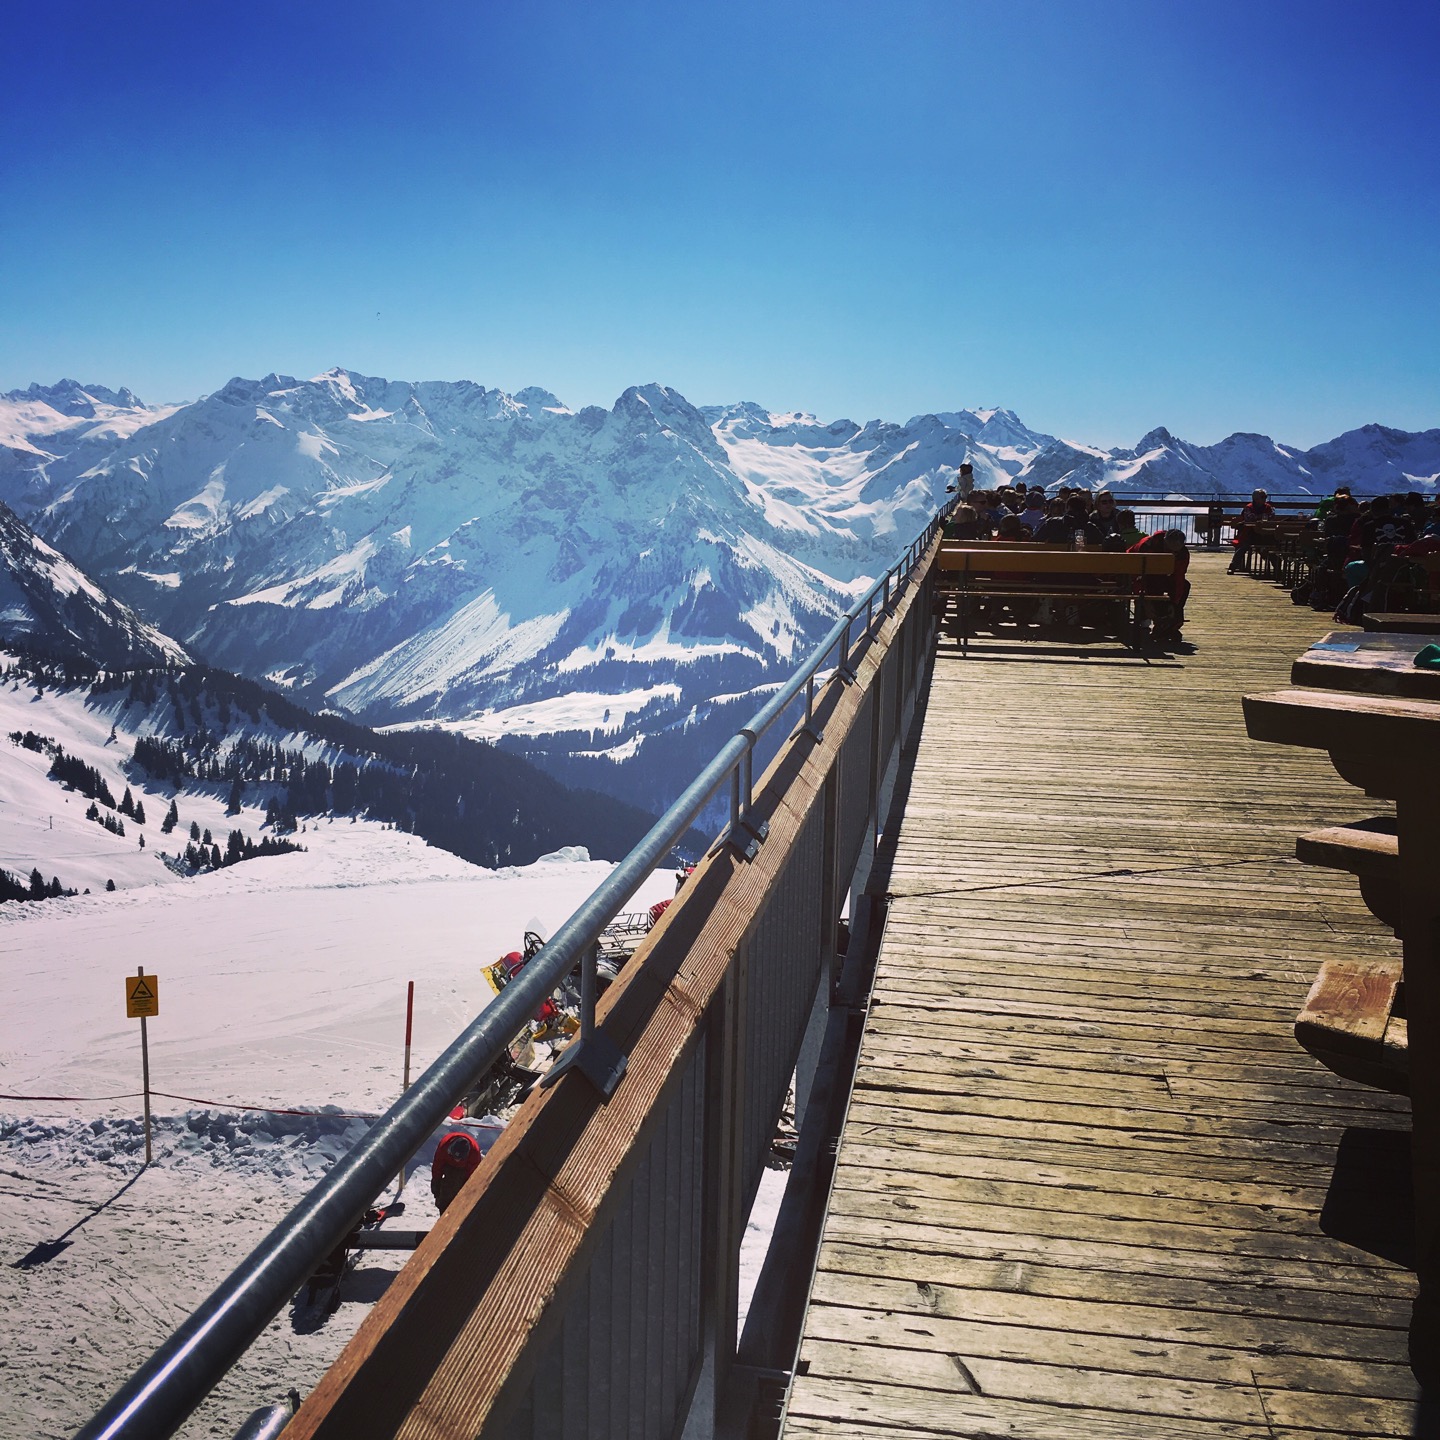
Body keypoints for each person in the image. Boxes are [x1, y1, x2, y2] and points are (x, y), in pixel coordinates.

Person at [1130, 527, 1191, 644]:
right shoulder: (1147, 545)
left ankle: (1171, 620)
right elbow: (1135, 573)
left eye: (1176, 551)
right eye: (1169, 549)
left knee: (1185, 586)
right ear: (1164, 541)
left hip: (1161, 575)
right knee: (1154, 586)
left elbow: (1179, 577)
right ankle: (1160, 618)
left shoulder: (1183, 554)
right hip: (1139, 573)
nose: (1173, 553)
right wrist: (1141, 595)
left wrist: (1175, 602)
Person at [1228, 489, 1276, 573]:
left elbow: (1271, 516)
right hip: (1250, 533)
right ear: (1256, 498)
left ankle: (1277, 569)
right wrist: (1262, 516)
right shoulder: (1249, 507)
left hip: (1265, 534)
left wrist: (1258, 517)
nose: (1265, 499)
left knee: (1272, 548)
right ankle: (1233, 566)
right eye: (1262, 497)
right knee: (1243, 547)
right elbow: (1249, 518)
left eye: (1265, 497)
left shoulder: (1268, 507)